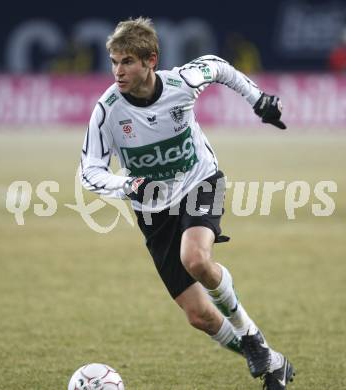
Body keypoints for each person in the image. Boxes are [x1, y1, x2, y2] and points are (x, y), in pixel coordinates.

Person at [80, 17, 295, 389]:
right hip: (153, 208)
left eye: (127, 61)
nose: (118, 71)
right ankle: (271, 360)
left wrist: (258, 100)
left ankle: (251, 336)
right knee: (200, 317)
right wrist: (127, 183)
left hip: (200, 182)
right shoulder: (107, 110)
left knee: (195, 259)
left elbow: (220, 67)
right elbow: (89, 171)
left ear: (151, 60)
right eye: (114, 62)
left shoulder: (182, 82)